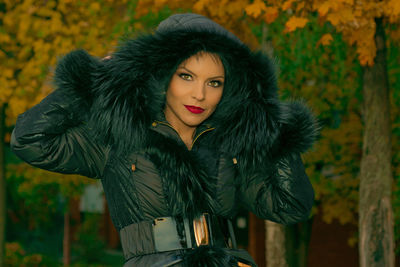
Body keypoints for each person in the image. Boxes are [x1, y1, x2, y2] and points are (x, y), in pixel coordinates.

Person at [11, 13, 318, 267]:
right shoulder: (120, 131)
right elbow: (30, 139)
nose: (199, 95)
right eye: (187, 76)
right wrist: (96, 81)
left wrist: (276, 132)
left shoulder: (230, 141)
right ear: (162, 74)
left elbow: (289, 206)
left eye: (214, 83)